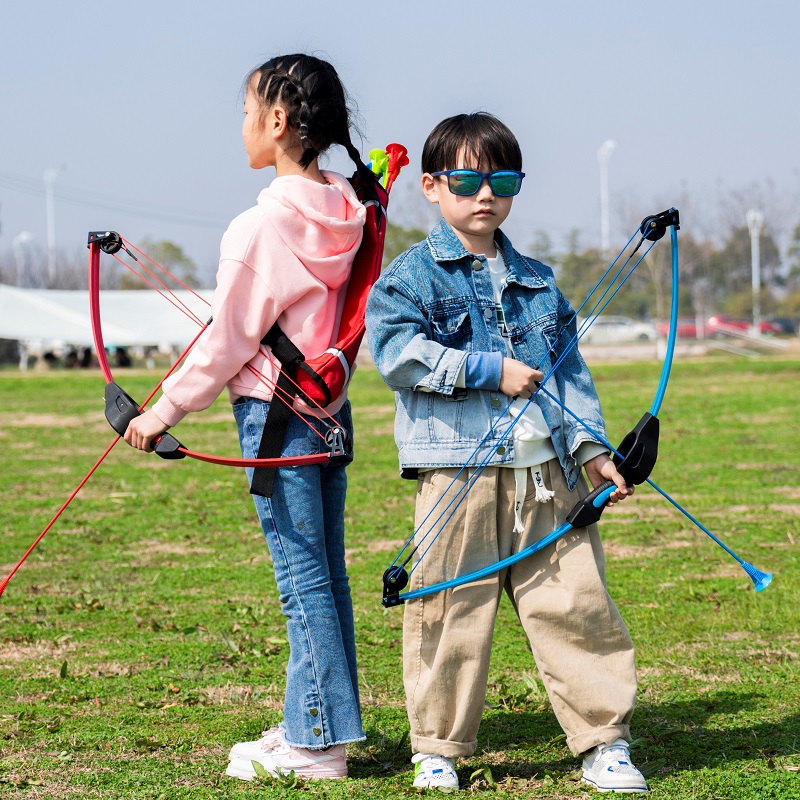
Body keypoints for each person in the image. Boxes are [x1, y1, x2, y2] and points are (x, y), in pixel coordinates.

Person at [365, 112, 648, 794]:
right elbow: (397, 355)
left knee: (576, 606)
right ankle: (437, 749)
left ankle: (603, 741)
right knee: (449, 611)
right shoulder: (409, 278)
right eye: (464, 180)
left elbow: (569, 378)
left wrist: (592, 452)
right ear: (431, 187)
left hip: (547, 479)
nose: (483, 193)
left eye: (502, 178)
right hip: (457, 475)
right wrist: (488, 369)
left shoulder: (539, 282)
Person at [124, 53, 373, 782]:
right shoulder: (351, 212)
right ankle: (312, 720)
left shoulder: (261, 227)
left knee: (303, 580)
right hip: (331, 412)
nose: (240, 126)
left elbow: (227, 341)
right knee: (324, 577)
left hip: (277, 418)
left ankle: (317, 746)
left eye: (244, 111)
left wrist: (159, 411)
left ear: (277, 120)